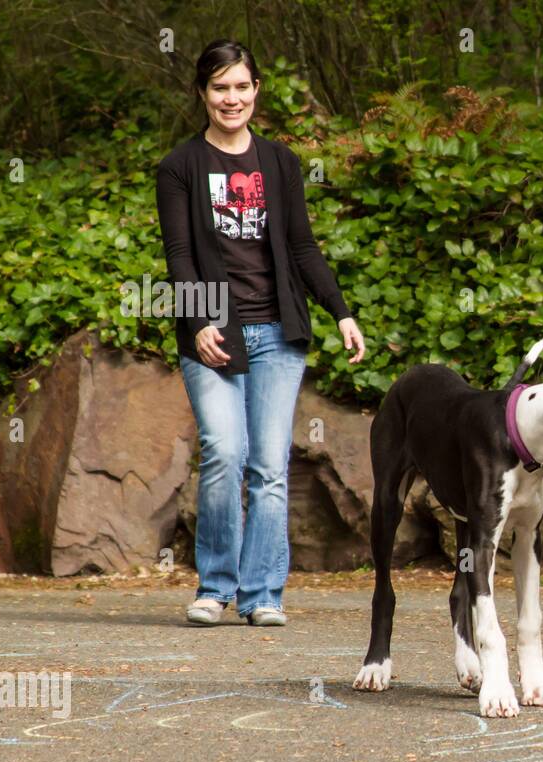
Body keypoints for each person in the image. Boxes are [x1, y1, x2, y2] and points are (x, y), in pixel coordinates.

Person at [156, 38, 366, 626]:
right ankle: (215, 587)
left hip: (278, 332)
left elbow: (302, 246)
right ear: (202, 93)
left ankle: (263, 595)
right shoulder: (180, 167)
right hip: (214, 334)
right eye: (220, 87)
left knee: (269, 466)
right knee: (225, 452)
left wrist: (340, 310)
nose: (232, 98)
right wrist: (198, 321)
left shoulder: (279, 162)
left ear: (256, 91)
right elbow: (179, 255)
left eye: (242, 86)